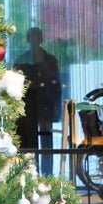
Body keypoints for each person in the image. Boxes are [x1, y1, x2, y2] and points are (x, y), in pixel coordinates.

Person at [16, 27, 62, 163]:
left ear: (41, 39)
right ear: (28, 40)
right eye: (32, 37)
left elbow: (56, 87)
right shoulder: (21, 61)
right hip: (27, 107)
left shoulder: (50, 61)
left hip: (45, 105)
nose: (35, 41)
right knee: (28, 143)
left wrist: (56, 110)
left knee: (46, 142)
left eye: (37, 37)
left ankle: (48, 174)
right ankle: (29, 172)